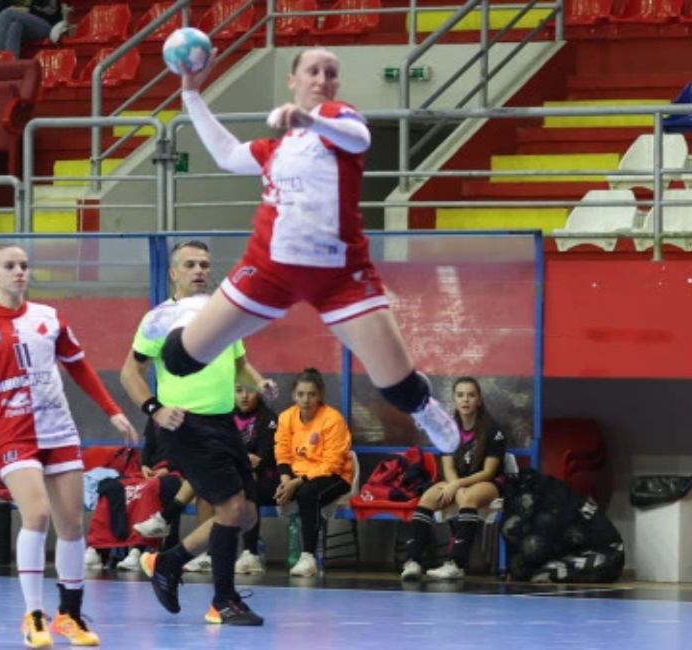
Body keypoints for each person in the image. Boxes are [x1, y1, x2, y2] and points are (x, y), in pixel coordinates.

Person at [158, 48, 461, 457]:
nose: (321, 79)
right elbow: (227, 155)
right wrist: (191, 94)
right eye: (312, 71)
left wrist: (310, 120)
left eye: (330, 73)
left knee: (400, 390)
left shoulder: (338, 121)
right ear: (292, 80)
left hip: (340, 276)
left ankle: (425, 407)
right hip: (267, 272)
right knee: (178, 359)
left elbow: (361, 137)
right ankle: (186, 315)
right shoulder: (275, 149)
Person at [0, 244, 138, 648]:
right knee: (36, 514)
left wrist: (112, 410)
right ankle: (33, 615)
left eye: (23, 265)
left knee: (71, 525)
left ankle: (69, 615)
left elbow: (79, 366)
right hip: (13, 435)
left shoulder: (49, 317)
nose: (19, 271)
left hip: (59, 431)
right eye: (9, 265)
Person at [120, 239, 276, 627]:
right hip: (186, 426)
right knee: (230, 509)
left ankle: (168, 562)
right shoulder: (159, 319)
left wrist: (259, 382)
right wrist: (155, 409)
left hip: (224, 424)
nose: (199, 271)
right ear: (174, 272)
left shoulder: (221, 315)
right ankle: (223, 601)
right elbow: (129, 373)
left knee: (246, 515)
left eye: (204, 264)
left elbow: (239, 364)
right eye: (189, 265)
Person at [400, 377, 506, 581]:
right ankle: (413, 562)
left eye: (471, 395)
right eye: (460, 395)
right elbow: (448, 468)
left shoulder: (493, 430)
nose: (465, 400)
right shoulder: (447, 429)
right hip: (456, 481)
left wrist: (457, 485)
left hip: (488, 483)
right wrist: (455, 484)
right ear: (454, 400)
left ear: (479, 400)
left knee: (468, 497)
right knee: (428, 497)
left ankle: (456, 564)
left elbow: (488, 472)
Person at [274, 368, 352, 577]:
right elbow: (281, 452)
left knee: (308, 494)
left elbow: (332, 464)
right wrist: (285, 481)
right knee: (257, 488)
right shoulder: (286, 417)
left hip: (335, 477)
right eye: (301, 394)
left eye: (311, 394)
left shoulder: (333, 419)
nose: (306, 400)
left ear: (320, 395)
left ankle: (308, 557)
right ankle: (250, 553)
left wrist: (297, 483)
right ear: (294, 395)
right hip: (296, 476)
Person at [234, 383, 278, 575]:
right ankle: (210, 555)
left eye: (250, 390)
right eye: (238, 390)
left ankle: (250, 553)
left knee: (247, 481)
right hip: (231, 475)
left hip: (266, 480)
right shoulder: (225, 417)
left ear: (259, 393)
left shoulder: (268, 418)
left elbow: (262, 458)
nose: (244, 396)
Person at [0, 0, 69, 57]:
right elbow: (32, 10)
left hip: (49, 26)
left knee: (6, 14)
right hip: (32, 24)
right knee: (15, 26)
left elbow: (51, 13)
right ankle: (8, 66)